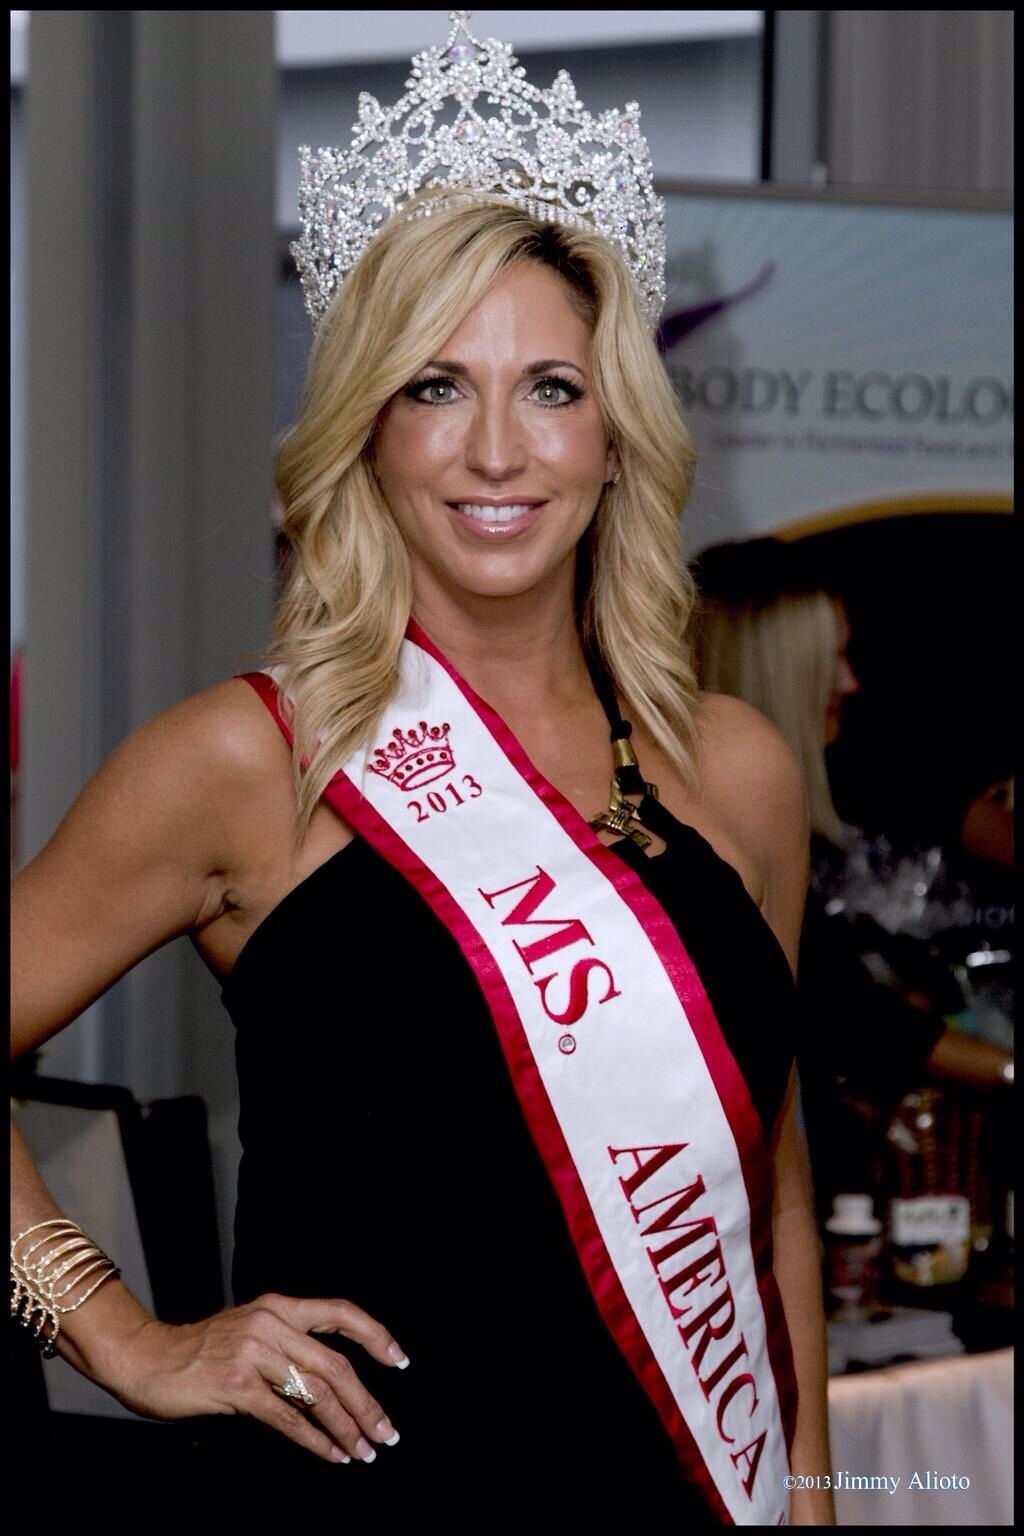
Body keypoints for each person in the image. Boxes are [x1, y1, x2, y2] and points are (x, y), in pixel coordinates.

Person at [11, 16, 831, 1522]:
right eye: (437, 386)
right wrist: (120, 1337)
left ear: (617, 437)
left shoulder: (738, 771)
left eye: (553, 387)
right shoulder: (251, 761)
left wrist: (813, 1495)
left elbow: (763, 1188)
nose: (497, 450)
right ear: (368, 432)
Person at [693, 537, 1013, 1222]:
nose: (848, 683)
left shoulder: (830, 783)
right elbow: (844, 1013)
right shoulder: (712, 841)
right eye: (828, 660)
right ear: (779, 675)